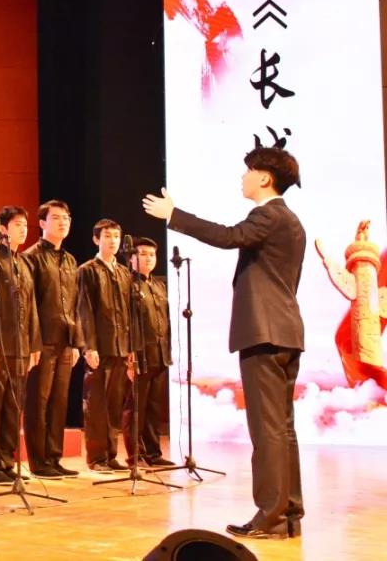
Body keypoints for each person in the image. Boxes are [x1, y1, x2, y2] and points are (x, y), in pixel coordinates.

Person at [143, 146, 305, 540]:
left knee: (268, 431)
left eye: (248, 171)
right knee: (283, 429)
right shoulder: (291, 220)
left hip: (264, 333)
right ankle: (288, 513)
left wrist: (175, 216)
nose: (243, 177)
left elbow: (229, 236)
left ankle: (270, 517)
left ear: (265, 177)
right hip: (285, 332)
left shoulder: (268, 214)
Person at [0, 206, 41, 485]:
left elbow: (32, 306)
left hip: (21, 347)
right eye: (17, 225)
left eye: (25, 225)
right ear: (2, 229)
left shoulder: (25, 263)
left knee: (14, 408)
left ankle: (7, 461)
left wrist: (34, 344)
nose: (23, 229)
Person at [22, 200, 82, 479]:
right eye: (56, 218)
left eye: (66, 218)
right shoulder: (31, 257)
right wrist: (33, 343)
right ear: (42, 223)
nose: (62, 222)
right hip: (42, 341)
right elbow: (29, 304)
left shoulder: (70, 260)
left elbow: (75, 303)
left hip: (65, 341)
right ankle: (38, 461)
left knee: (59, 401)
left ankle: (54, 457)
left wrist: (77, 342)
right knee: (39, 401)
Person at [77, 219, 134, 474]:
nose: (113, 241)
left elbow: (128, 312)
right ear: (96, 239)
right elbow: (84, 310)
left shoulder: (123, 272)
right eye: (107, 236)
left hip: (120, 346)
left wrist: (130, 347)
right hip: (99, 348)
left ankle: (111, 454)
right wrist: (89, 346)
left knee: (114, 404)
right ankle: (96, 457)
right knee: (96, 404)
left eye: (116, 236)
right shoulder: (87, 270)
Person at [121, 237, 175, 468]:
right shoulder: (128, 285)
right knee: (136, 407)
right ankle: (135, 454)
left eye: (152, 254)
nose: (149, 258)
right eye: (143, 254)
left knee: (154, 407)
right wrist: (129, 352)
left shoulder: (159, 286)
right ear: (132, 257)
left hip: (159, 354)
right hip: (140, 355)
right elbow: (126, 321)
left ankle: (153, 452)